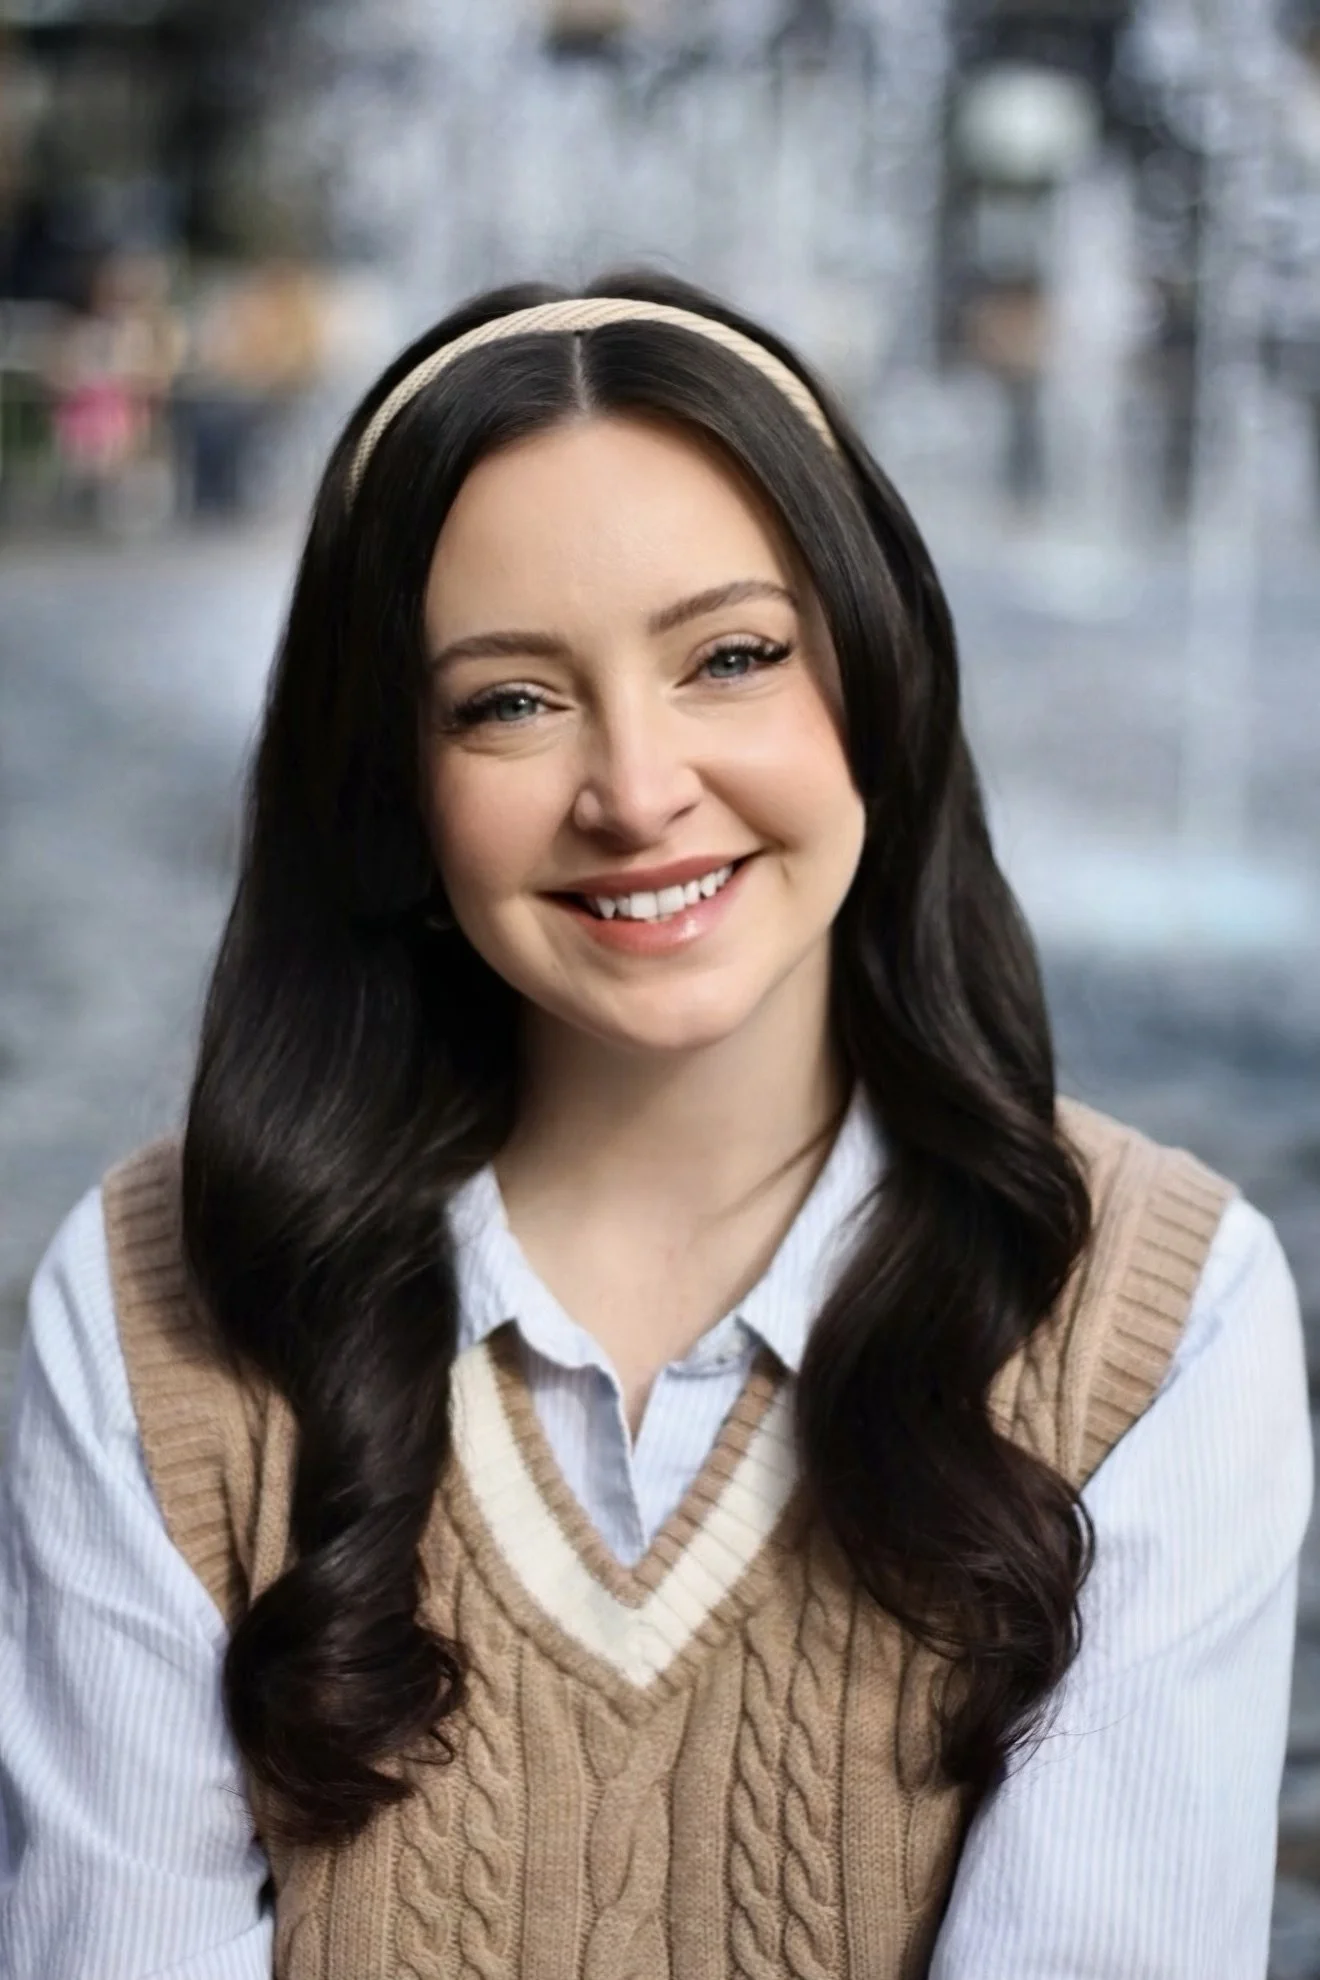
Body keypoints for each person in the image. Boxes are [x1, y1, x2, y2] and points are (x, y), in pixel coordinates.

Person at [0, 272, 1311, 1980]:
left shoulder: (1160, 1316)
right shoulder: (153, 1310)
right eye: (509, 701)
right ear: (392, 781)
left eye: (734, 658)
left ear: (879, 682)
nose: (635, 791)